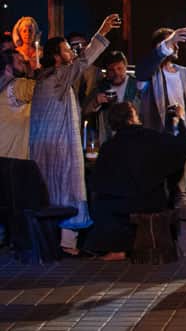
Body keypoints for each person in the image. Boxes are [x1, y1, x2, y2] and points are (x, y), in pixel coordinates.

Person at [29, 13, 119, 255]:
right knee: (68, 189)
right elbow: (84, 61)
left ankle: (57, 241)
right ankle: (67, 243)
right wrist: (102, 32)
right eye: (67, 50)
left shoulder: (46, 78)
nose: (72, 53)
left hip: (46, 146)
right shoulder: (58, 75)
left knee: (54, 190)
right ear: (57, 57)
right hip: (59, 147)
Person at [83, 102, 186, 261]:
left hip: (117, 205)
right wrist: (180, 120)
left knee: (104, 203)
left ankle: (115, 247)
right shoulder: (152, 138)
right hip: (149, 201)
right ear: (132, 118)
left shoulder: (109, 146)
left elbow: (97, 182)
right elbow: (185, 146)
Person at [135, 27, 186, 206]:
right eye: (172, 44)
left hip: (183, 135)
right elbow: (142, 72)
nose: (176, 47)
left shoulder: (184, 73)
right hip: (158, 136)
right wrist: (168, 42)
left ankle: (181, 212)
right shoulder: (150, 74)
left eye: (176, 44)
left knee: (181, 191)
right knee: (159, 188)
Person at [83, 50, 138, 145]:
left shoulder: (136, 85)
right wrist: (95, 102)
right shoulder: (100, 87)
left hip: (134, 139)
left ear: (125, 67)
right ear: (106, 71)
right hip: (109, 140)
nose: (116, 73)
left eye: (119, 68)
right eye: (111, 70)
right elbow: (84, 112)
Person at [0, 49, 33, 159]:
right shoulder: (17, 86)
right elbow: (43, 89)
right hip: (13, 159)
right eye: (20, 62)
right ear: (8, 69)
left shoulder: (4, 87)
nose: (24, 65)